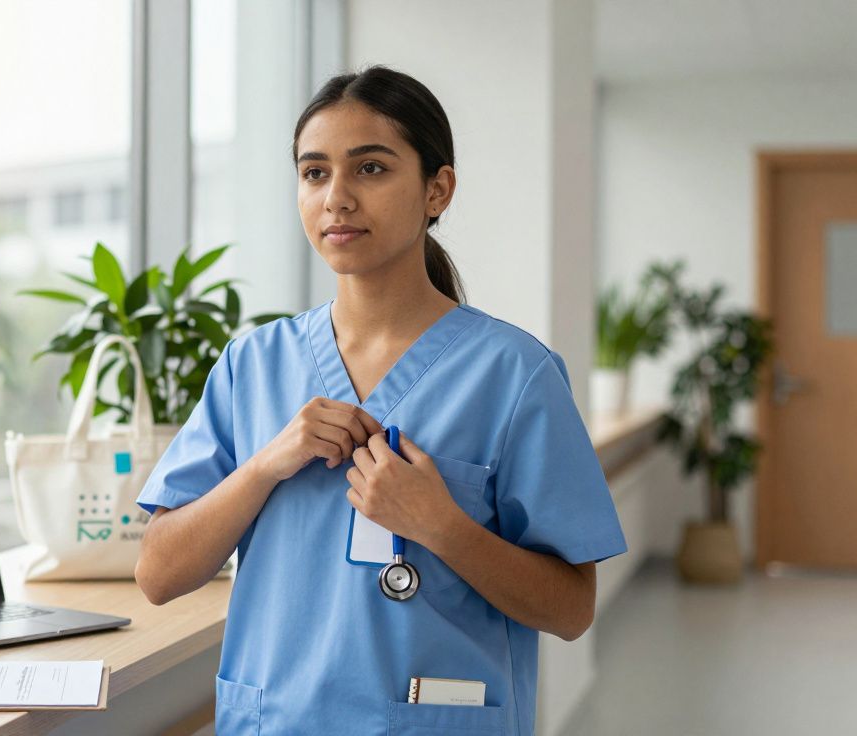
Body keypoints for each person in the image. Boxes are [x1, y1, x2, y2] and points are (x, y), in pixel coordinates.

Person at [134, 65, 626, 735]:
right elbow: (158, 573)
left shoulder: (515, 374)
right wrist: (265, 465)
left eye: (370, 169)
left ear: (436, 189)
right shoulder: (253, 365)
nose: (336, 198)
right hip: (275, 721)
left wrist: (441, 526)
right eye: (314, 173)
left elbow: (570, 610)